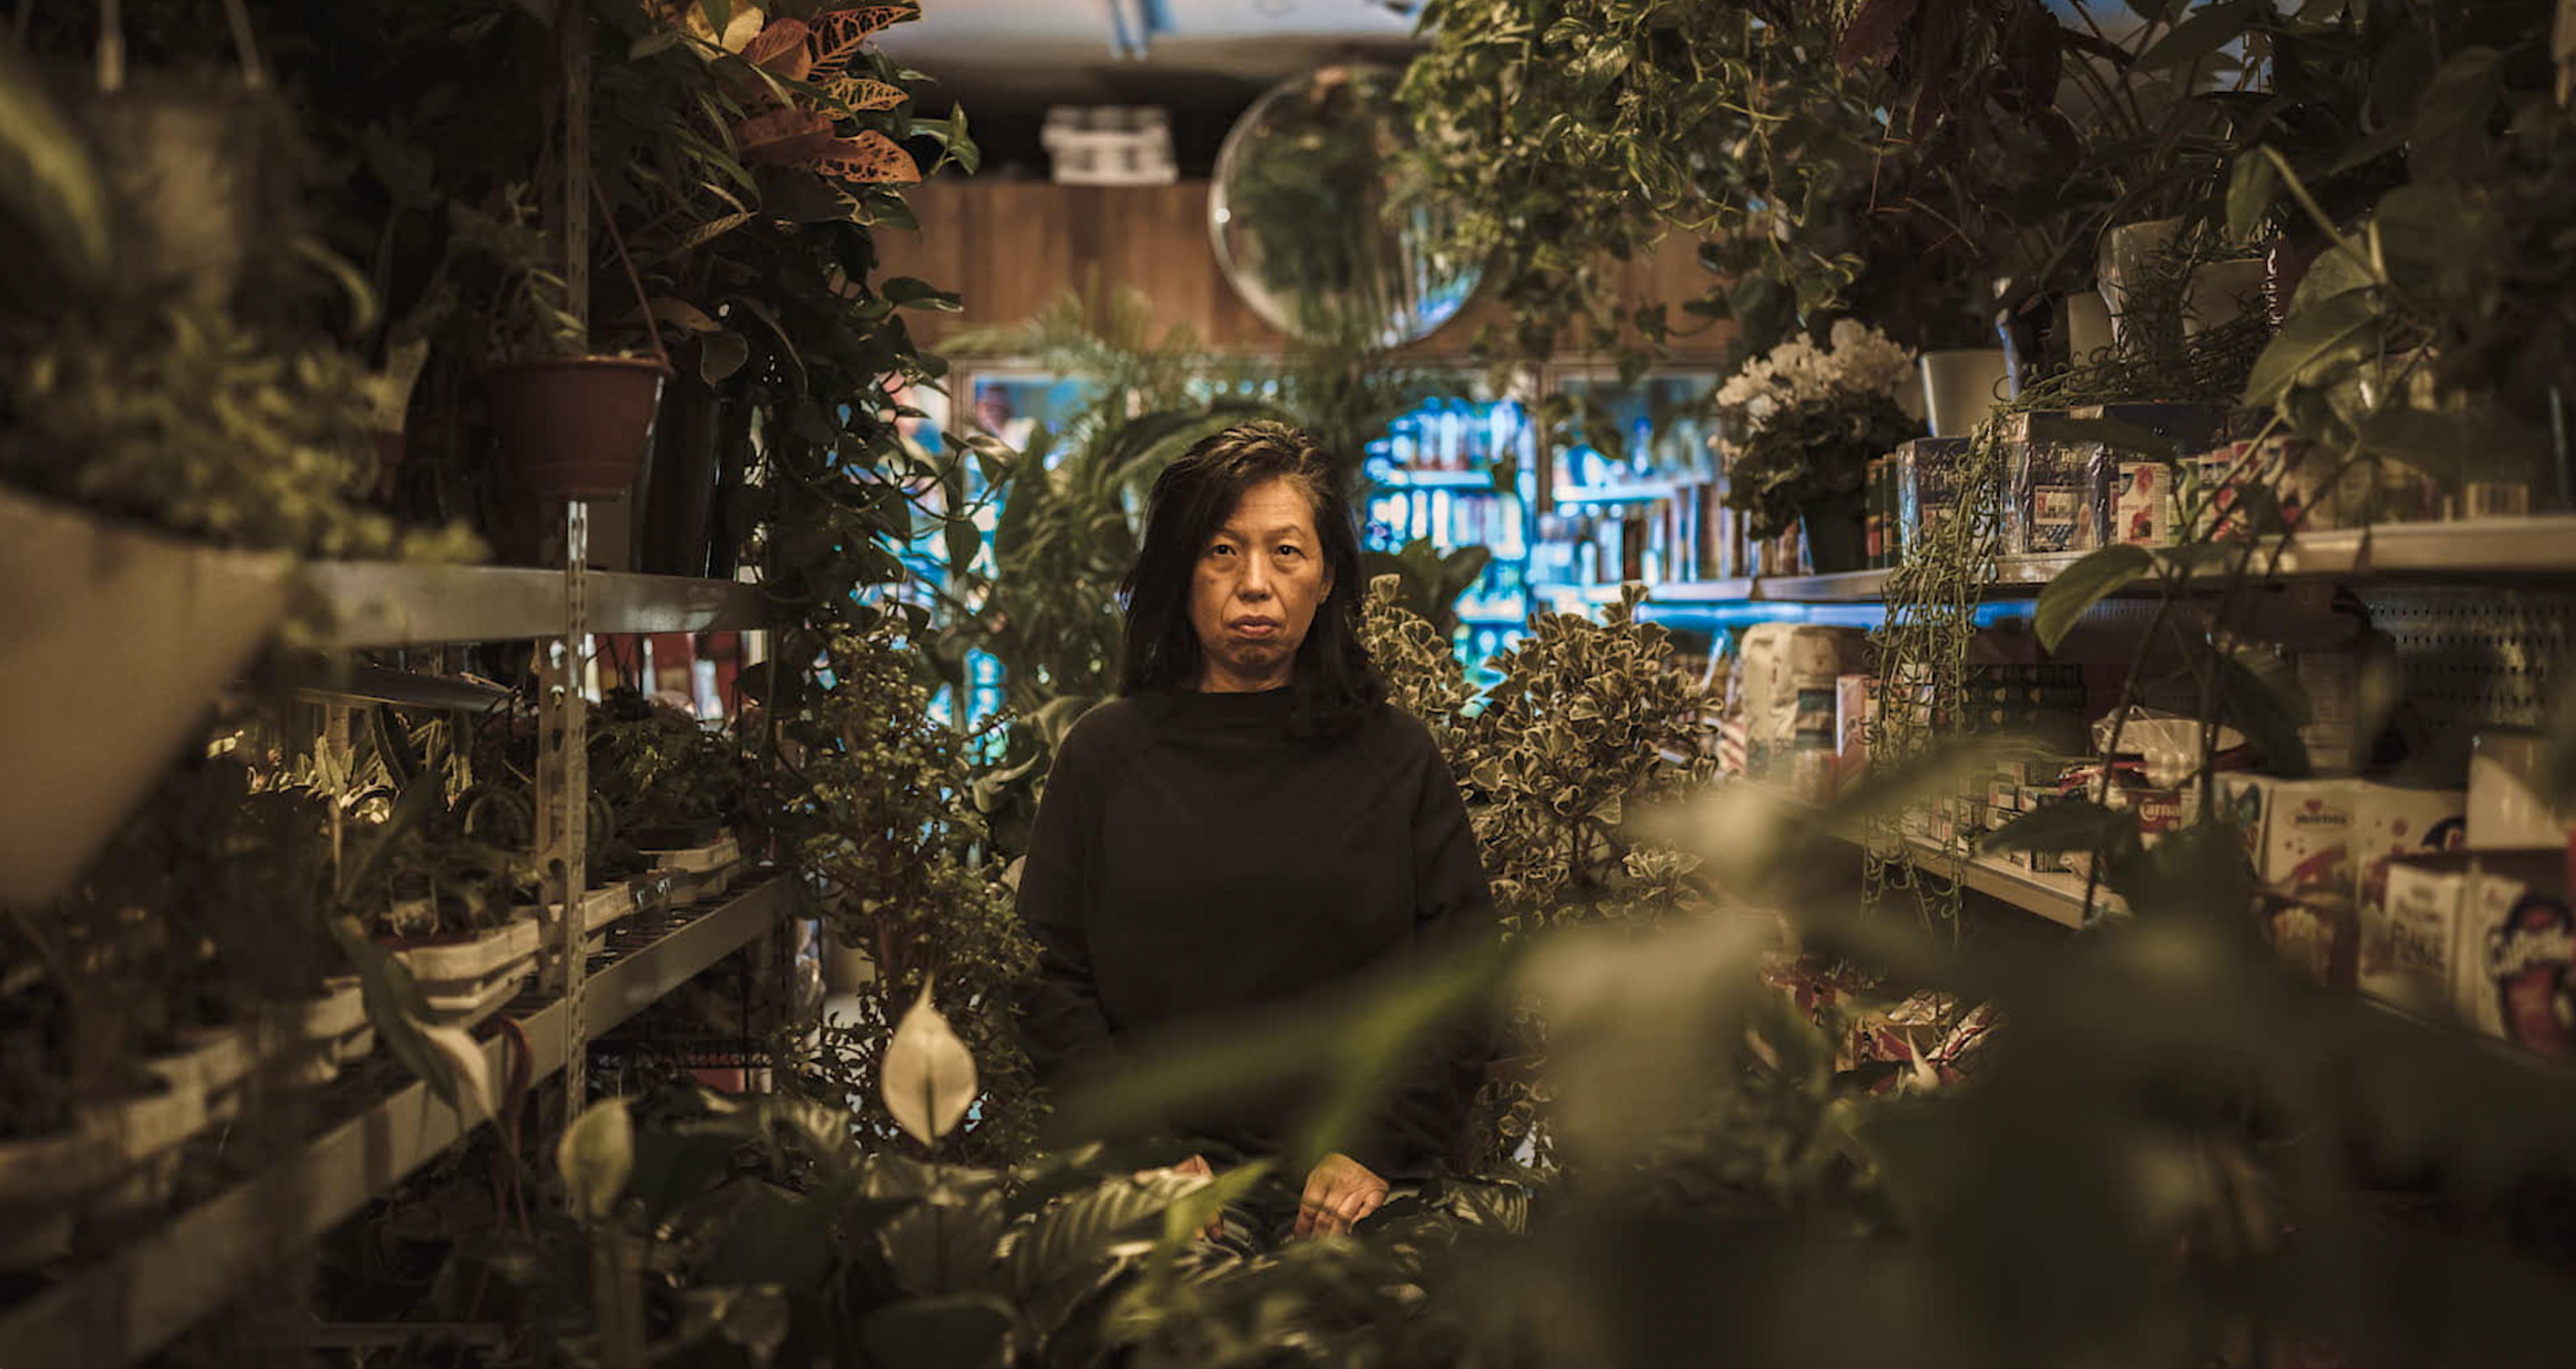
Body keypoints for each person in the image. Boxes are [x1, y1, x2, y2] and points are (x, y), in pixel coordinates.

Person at [1015, 420, 1494, 1243]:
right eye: (1222, 551)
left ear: (1327, 577)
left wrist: (1373, 1150)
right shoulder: (1104, 754)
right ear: (1179, 575)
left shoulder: (1395, 755)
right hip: (1157, 1189)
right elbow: (1047, 978)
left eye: (1285, 552)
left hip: (1362, 1190)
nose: (1254, 585)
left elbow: (1464, 976)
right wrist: (1144, 1157)